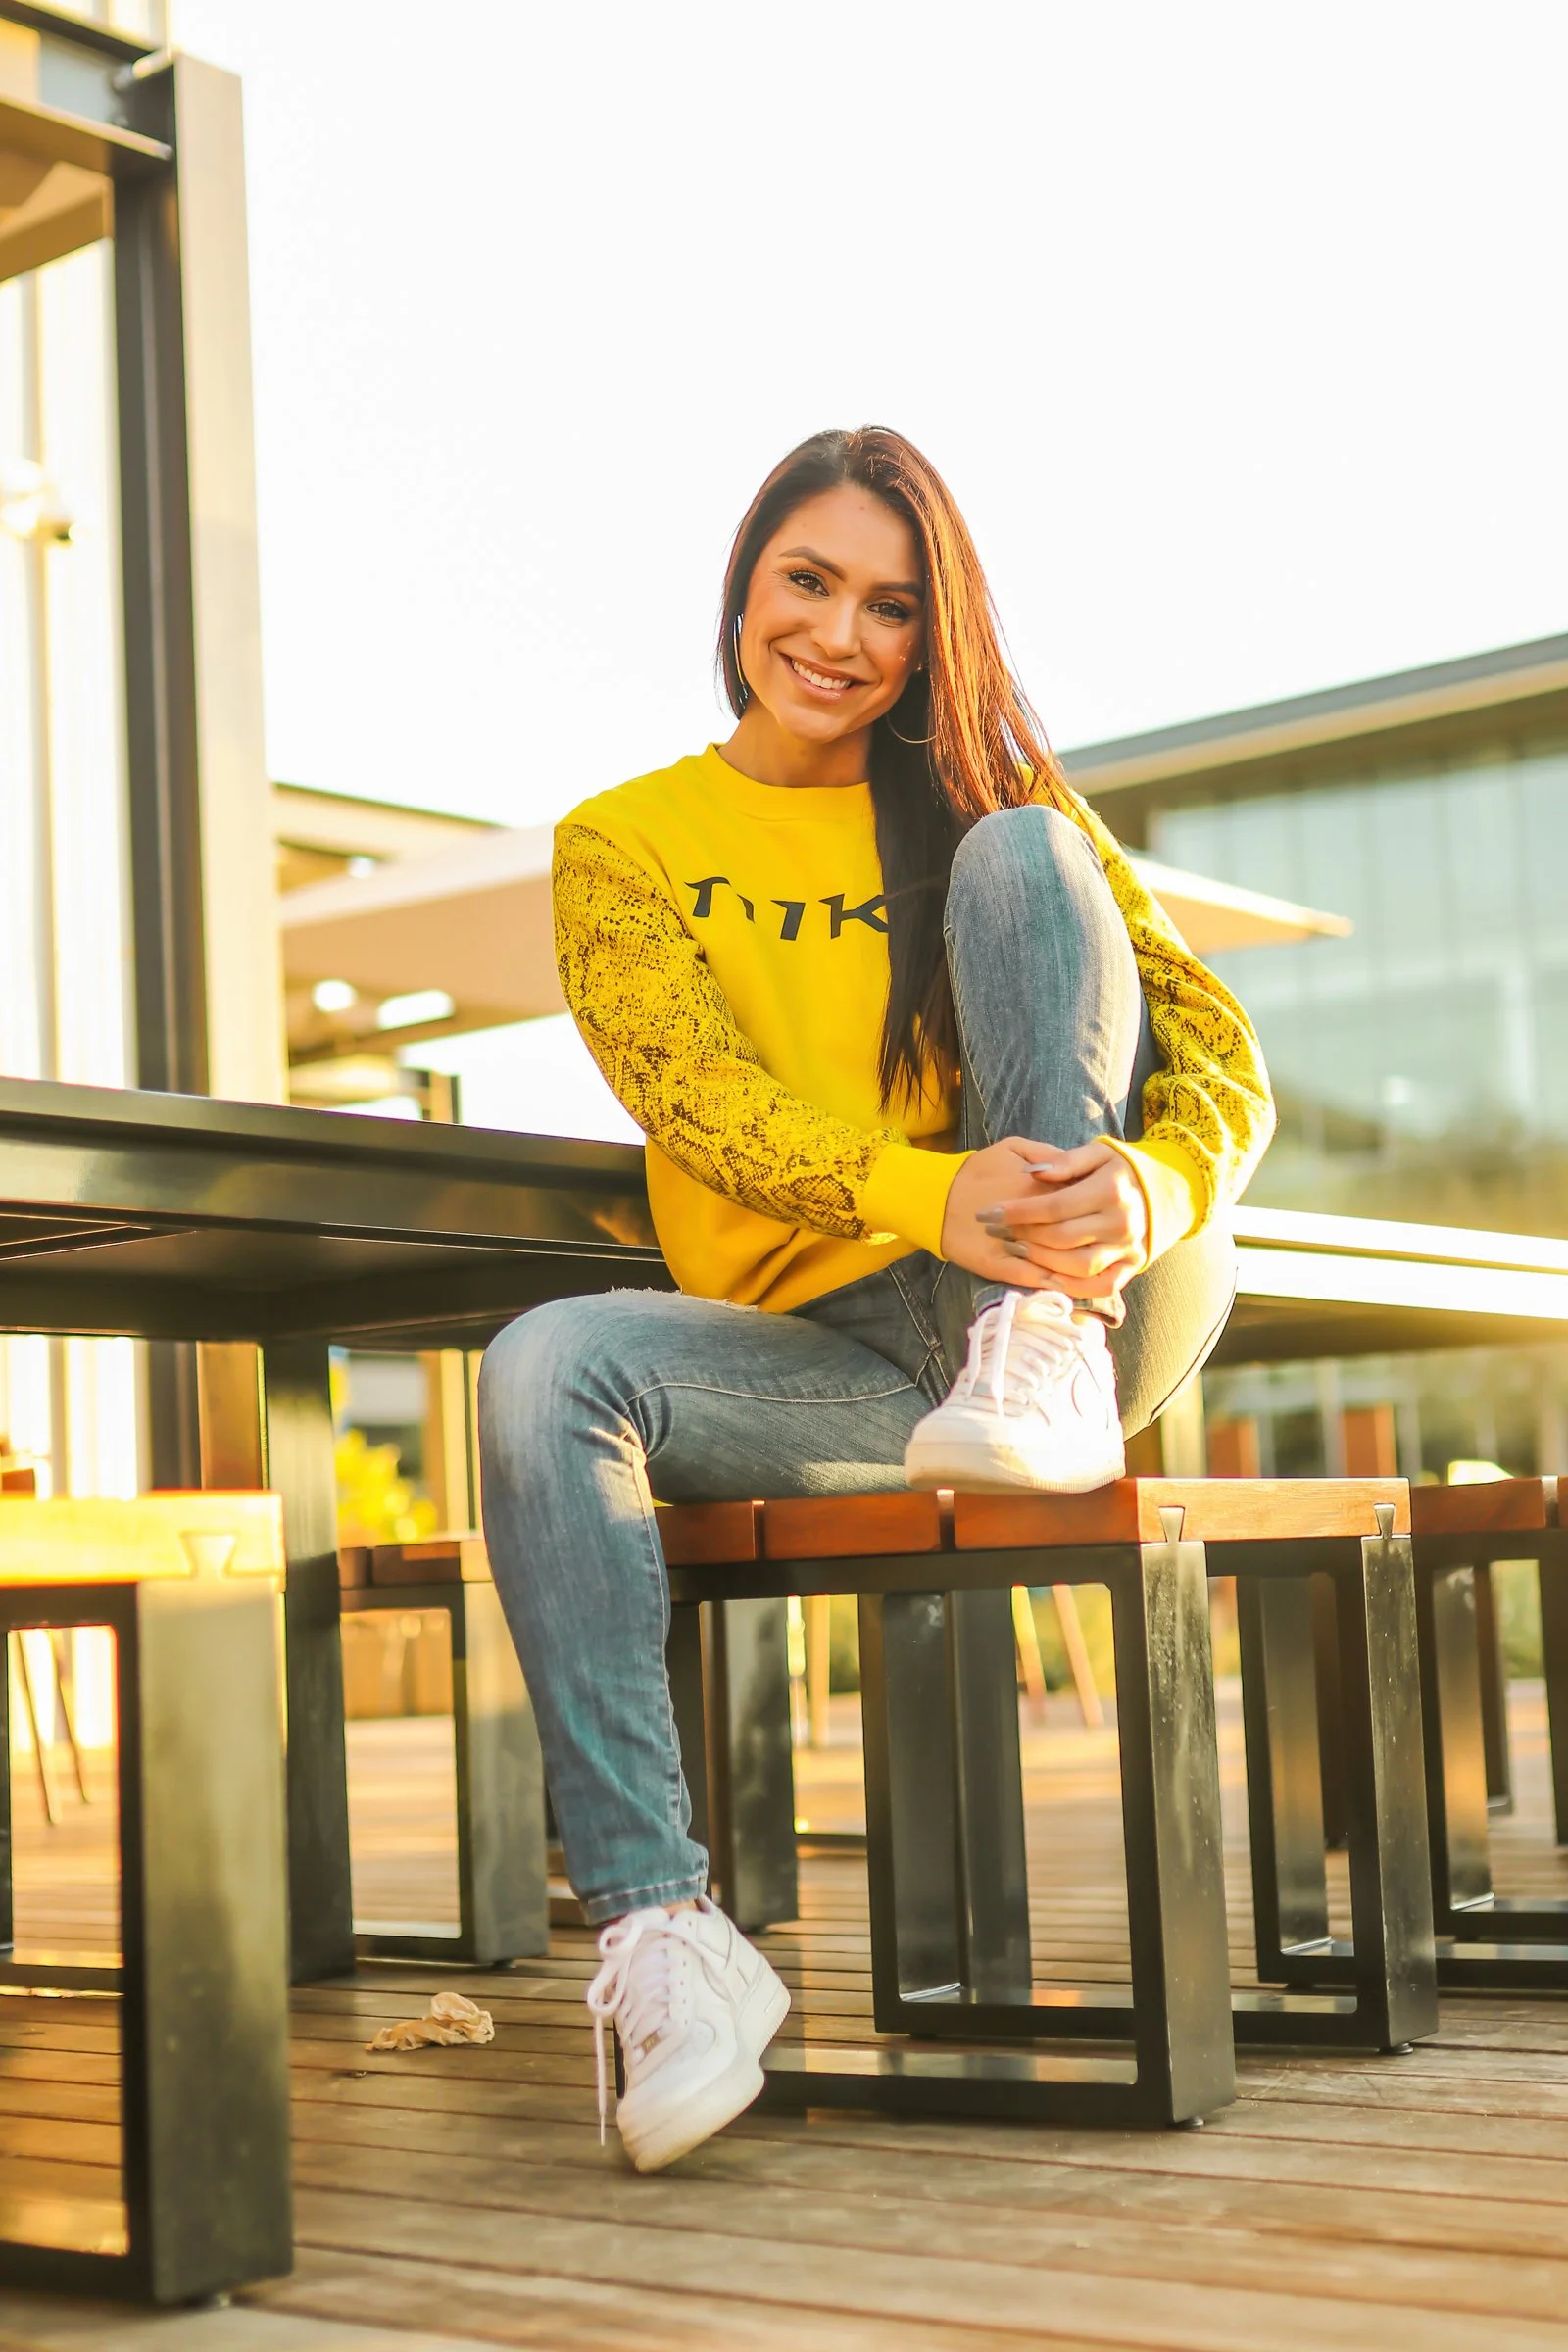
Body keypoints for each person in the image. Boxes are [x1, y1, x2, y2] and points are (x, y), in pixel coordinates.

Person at [479, 426, 1273, 2172]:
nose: (843, 635)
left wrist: (1142, 1184)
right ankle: (665, 1939)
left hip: (1081, 1304)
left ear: (937, 631)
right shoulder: (623, 845)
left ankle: (1043, 1343)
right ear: (745, 584)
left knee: (1022, 863)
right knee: (543, 1366)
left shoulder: (1004, 806)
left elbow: (1222, 1051)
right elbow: (694, 1100)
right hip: (836, 1355)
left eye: (894, 607)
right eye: (809, 583)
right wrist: (934, 1196)